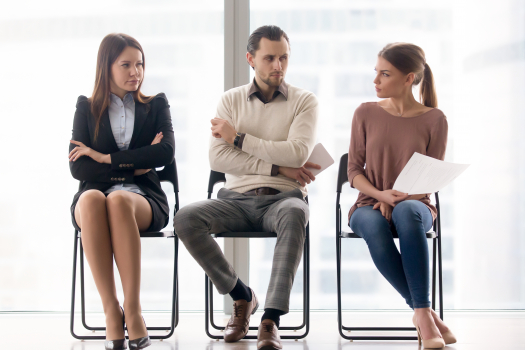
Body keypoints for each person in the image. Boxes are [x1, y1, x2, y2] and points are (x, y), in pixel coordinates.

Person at [174, 25, 319, 350]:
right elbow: (218, 158)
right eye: (270, 58)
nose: (278, 66)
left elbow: (297, 152)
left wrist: (239, 138)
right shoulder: (230, 100)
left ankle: (270, 319)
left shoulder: (304, 101)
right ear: (251, 59)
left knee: (297, 212)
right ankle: (242, 296)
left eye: (284, 58)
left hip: (284, 199)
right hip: (235, 200)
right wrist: (276, 166)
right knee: (185, 218)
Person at [346, 42, 456, 349]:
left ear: (409, 78)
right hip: (368, 204)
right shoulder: (365, 113)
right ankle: (424, 313)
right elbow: (354, 171)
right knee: (376, 228)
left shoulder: (435, 119)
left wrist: (398, 198)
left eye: (385, 74)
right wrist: (381, 194)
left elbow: (432, 178)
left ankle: (422, 315)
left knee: (407, 212)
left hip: (417, 204)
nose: (376, 81)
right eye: (376, 73)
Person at [69, 33, 175, 350]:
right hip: (94, 200)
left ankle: (133, 308)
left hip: (143, 199)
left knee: (116, 199)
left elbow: (165, 153)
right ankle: (111, 311)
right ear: (107, 67)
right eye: (126, 64)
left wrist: (106, 158)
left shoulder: (156, 104)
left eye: (140, 64)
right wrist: (136, 165)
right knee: (92, 198)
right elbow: (79, 168)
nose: (135, 72)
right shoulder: (86, 108)